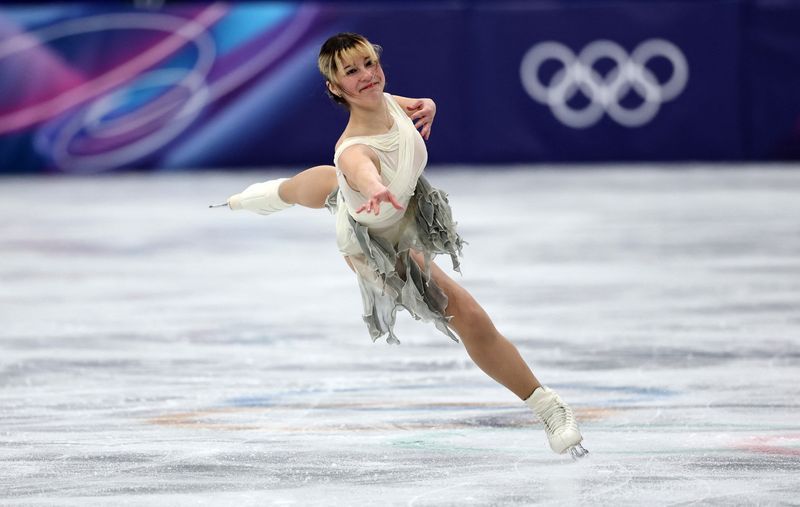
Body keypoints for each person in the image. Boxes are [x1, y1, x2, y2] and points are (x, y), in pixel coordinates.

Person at [222, 33, 587, 458]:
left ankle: (271, 195)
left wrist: (429, 104)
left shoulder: (388, 101)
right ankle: (548, 407)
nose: (366, 76)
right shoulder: (354, 150)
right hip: (375, 240)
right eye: (351, 72)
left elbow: (408, 104)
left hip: (387, 205)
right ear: (335, 88)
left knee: (325, 185)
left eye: (369, 64)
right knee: (465, 314)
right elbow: (360, 169)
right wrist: (375, 188)